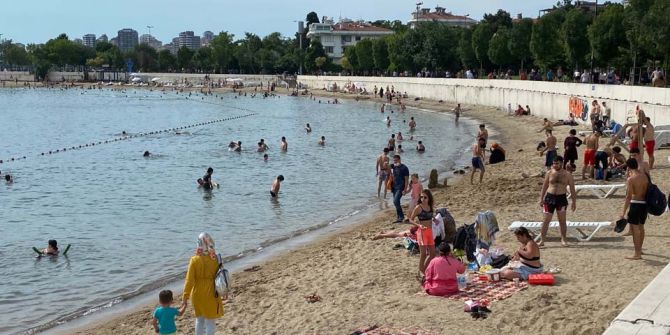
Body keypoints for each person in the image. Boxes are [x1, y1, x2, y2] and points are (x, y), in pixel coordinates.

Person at [183, 233, 225, 335]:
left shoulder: (194, 260)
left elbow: (189, 280)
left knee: (199, 320)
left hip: (197, 294)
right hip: (211, 293)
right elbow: (222, 276)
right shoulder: (217, 259)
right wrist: (224, 291)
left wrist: (185, 296)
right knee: (210, 322)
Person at [539, 156, 576, 247]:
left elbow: (572, 189)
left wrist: (574, 202)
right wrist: (541, 198)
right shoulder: (549, 172)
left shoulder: (567, 175)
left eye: (557, 163)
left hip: (561, 198)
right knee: (546, 220)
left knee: (562, 220)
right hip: (549, 197)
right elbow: (544, 186)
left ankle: (563, 239)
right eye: (554, 163)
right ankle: (542, 240)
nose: (555, 165)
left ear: (561, 163)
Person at [620, 159, 649, 260]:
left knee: (635, 230)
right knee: (641, 228)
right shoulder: (645, 176)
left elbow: (628, 196)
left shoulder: (631, 179)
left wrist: (623, 212)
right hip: (644, 204)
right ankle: (639, 250)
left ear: (628, 167)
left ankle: (637, 254)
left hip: (635, 204)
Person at [409, 189, 436, 275]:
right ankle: (423, 271)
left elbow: (430, 216)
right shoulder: (418, 207)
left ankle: (423, 269)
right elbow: (410, 219)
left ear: (429, 198)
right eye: (421, 197)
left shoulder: (430, 206)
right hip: (422, 232)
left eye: (425, 197)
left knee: (433, 254)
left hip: (430, 232)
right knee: (423, 254)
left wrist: (434, 219)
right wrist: (418, 225)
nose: (423, 199)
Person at [390, 155, 410, 223]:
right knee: (396, 202)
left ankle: (401, 216)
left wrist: (405, 189)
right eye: (394, 160)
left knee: (396, 201)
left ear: (399, 160)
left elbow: (406, 180)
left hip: (400, 188)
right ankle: (399, 217)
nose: (395, 162)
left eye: (396, 160)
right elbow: (385, 168)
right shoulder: (394, 167)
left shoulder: (404, 168)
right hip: (394, 187)